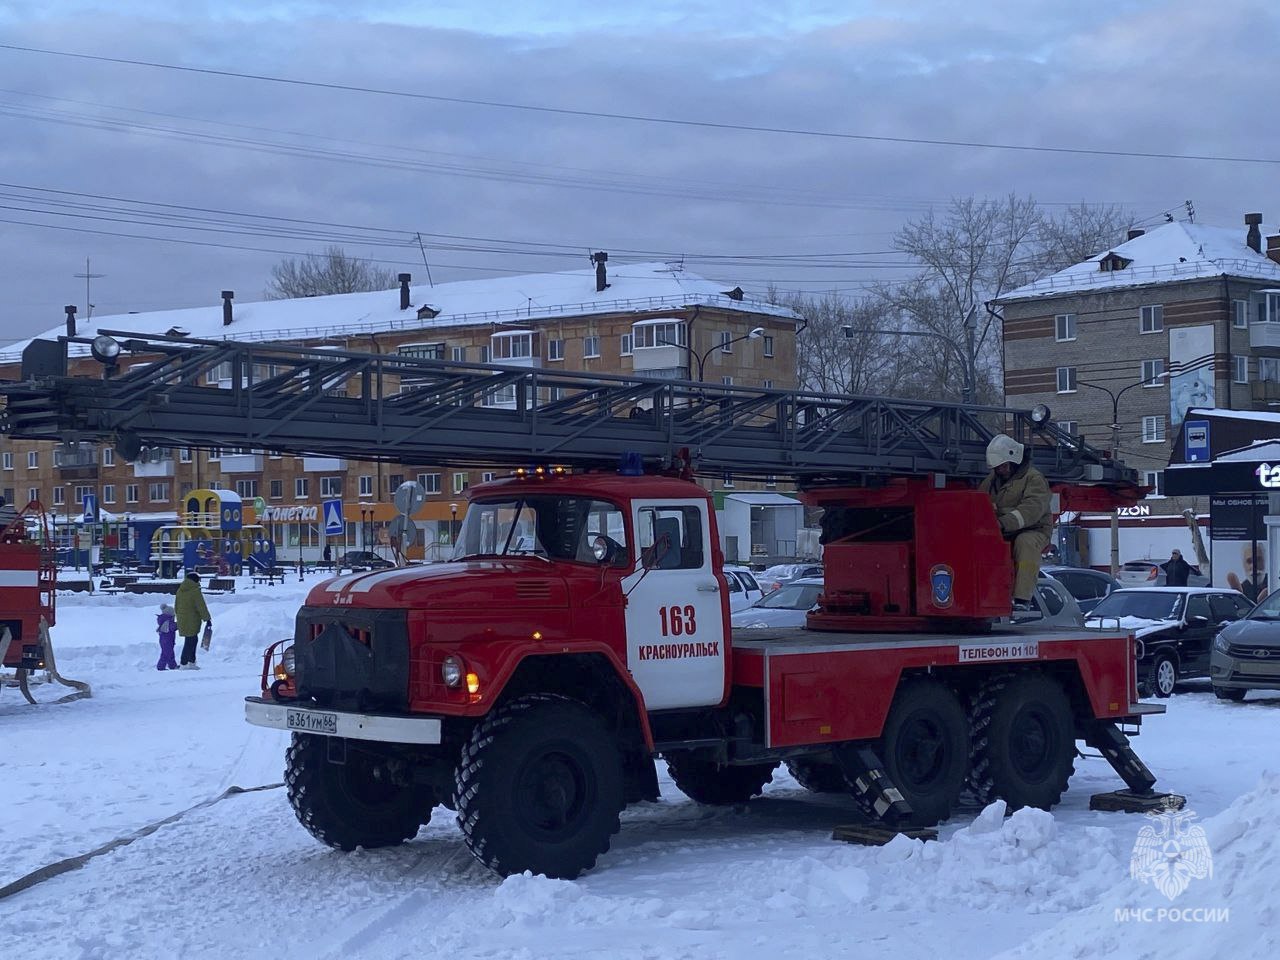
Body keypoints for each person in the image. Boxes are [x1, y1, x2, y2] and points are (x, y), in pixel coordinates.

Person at [979, 434, 1052, 613]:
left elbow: (1031, 510)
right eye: (997, 467)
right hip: (1003, 528)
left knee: (1025, 543)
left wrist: (1001, 522)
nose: (1000, 470)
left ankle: (1022, 598)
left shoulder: (1033, 478)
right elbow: (981, 500)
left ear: (1014, 460)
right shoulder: (992, 480)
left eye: (1003, 466)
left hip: (1034, 530)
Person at [175, 572, 213, 669]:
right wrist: (207, 619)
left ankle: (191, 662)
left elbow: (176, 606)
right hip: (192, 620)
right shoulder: (195, 591)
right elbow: (201, 606)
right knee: (191, 641)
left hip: (182, 619)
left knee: (191, 640)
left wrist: (179, 617)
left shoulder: (180, 590)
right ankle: (184, 663)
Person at [155, 603, 179, 671]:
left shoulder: (164, 621)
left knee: (170, 653)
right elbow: (173, 627)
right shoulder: (168, 622)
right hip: (167, 641)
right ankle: (160, 666)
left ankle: (172, 665)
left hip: (166, 640)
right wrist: (180, 623)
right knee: (165, 654)